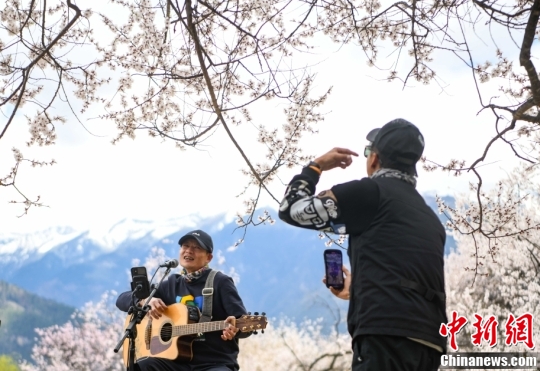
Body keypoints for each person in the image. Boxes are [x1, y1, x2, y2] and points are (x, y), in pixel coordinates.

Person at [279, 119, 447, 370]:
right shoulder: (430, 217)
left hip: (384, 338)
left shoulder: (369, 192)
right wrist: (356, 290)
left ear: (374, 158)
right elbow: (405, 276)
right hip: (431, 342)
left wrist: (315, 167)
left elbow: (291, 209)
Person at [116, 230, 249, 371]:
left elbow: (243, 323)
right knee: (143, 366)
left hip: (214, 363)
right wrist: (145, 301)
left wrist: (235, 330)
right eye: (185, 246)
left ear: (209, 258)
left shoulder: (220, 282)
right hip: (176, 362)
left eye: (196, 248)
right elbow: (121, 299)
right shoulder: (171, 284)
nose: (189, 251)